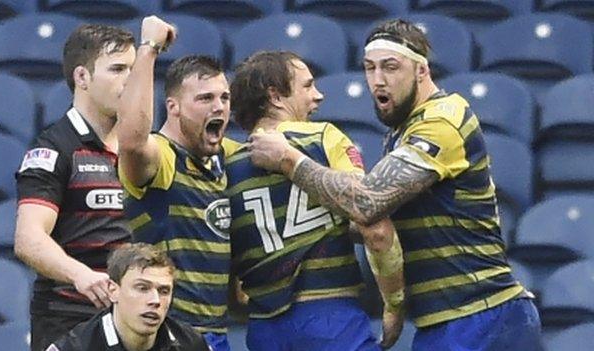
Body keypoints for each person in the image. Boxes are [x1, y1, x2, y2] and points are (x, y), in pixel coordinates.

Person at [248, 20, 543, 351]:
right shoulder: (402, 131)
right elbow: (376, 224)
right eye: (370, 68)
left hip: (484, 315)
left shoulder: (442, 120)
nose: (377, 80)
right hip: (448, 321)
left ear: (421, 70)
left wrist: (289, 160)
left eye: (390, 67)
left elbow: (367, 205)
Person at [226, 50, 404, 351]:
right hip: (331, 320)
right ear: (275, 96)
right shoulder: (324, 138)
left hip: (262, 328)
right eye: (307, 86)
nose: (319, 96)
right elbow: (375, 230)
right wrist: (395, 304)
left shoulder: (228, 167)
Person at [116, 16, 239, 351]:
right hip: (169, 335)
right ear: (173, 107)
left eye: (225, 98)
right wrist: (149, 49)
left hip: (214, 333)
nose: (219, 107)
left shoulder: (226, 156)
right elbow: (130, 142)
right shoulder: (163, 157)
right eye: (205, 99)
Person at [14, 24, 135, 351]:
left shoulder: (142, 149)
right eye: (118, 69)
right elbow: (28, 239)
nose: (131, 80)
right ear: (82, 78)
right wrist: (80, 275)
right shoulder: (54, 148)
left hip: (131, 320)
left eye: (134, 70)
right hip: (68, 318)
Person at [47, 243, 211, 351]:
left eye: (164, 291)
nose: (155, 300)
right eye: (142, 288)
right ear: (113, 290)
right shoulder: (75, 347)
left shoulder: (191, 344)